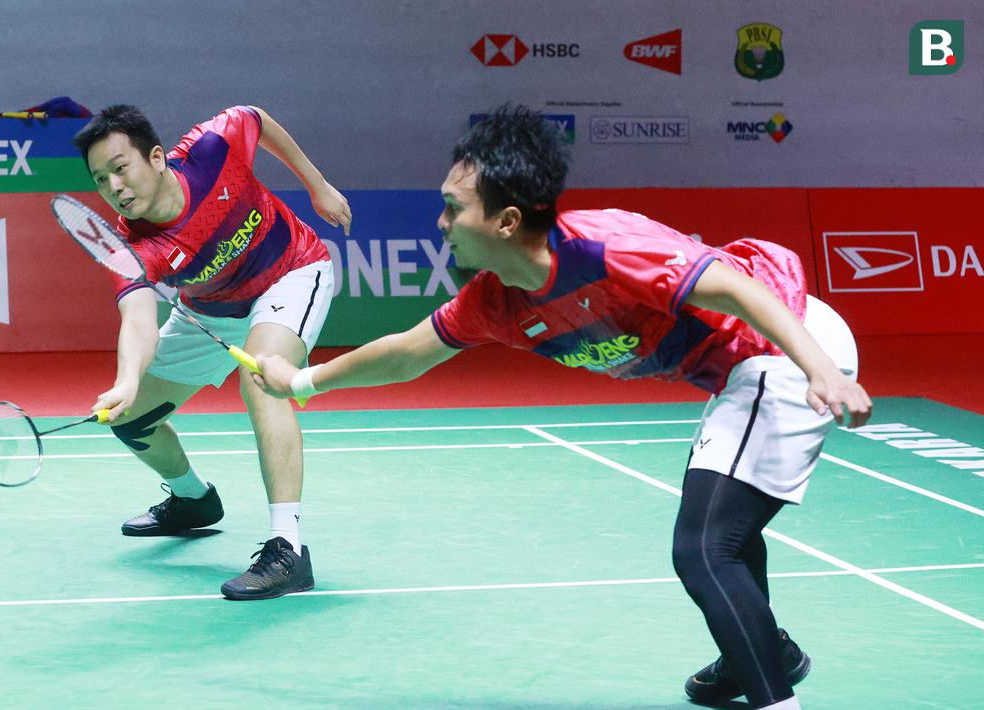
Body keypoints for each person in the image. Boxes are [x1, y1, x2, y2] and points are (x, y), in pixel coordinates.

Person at [251, 104, 871, 708]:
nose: (439, 223)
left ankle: (771, 689)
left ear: (505, 220)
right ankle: (761, 652)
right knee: (725, 526)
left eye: (452, 208)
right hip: (744, 372)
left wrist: (819, 369)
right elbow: (405, 354)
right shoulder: (495, 301)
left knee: (704, 548)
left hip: (782, 345)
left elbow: (739, 287)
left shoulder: (604, 247)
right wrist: (304, 382)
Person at [72, 104, 351, 600]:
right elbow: (138, 319)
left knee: (262, 378)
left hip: (291, 273)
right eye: (100, 180)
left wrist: (318, 184)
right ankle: (193, 500)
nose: (114, 186)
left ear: (156, 158)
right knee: (130, 419)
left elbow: (259, 118)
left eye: (120, 168)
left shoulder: (212, 148)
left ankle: (288, 548)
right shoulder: (131, 246)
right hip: (212, 312)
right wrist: (128, 379)